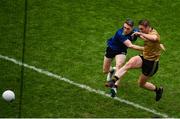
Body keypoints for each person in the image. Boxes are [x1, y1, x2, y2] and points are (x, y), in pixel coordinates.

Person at [107, 19, 165, 101]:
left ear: (148, 27)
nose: (140, 30)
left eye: (142, 29)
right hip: (143, 57)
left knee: (141, 84)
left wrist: (140, 33)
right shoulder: (145, 32)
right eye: (139, 29)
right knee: (128, 64)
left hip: (151, 63)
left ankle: (158, 90)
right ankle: (113, 81)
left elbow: (154, 38)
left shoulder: (154, 34)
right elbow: (147, 38)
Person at [103, 19, 144, 96]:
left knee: (119, 65)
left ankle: (115, 87)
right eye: (124, 27)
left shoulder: (135, 31)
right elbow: (130, 46)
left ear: (132, 28)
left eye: (128, 28)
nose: (125, 30)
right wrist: (146, 49)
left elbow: (144, 34)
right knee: (105, 70)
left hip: (121, 51)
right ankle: (112, 70)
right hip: (111, 49)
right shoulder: (120, 34)